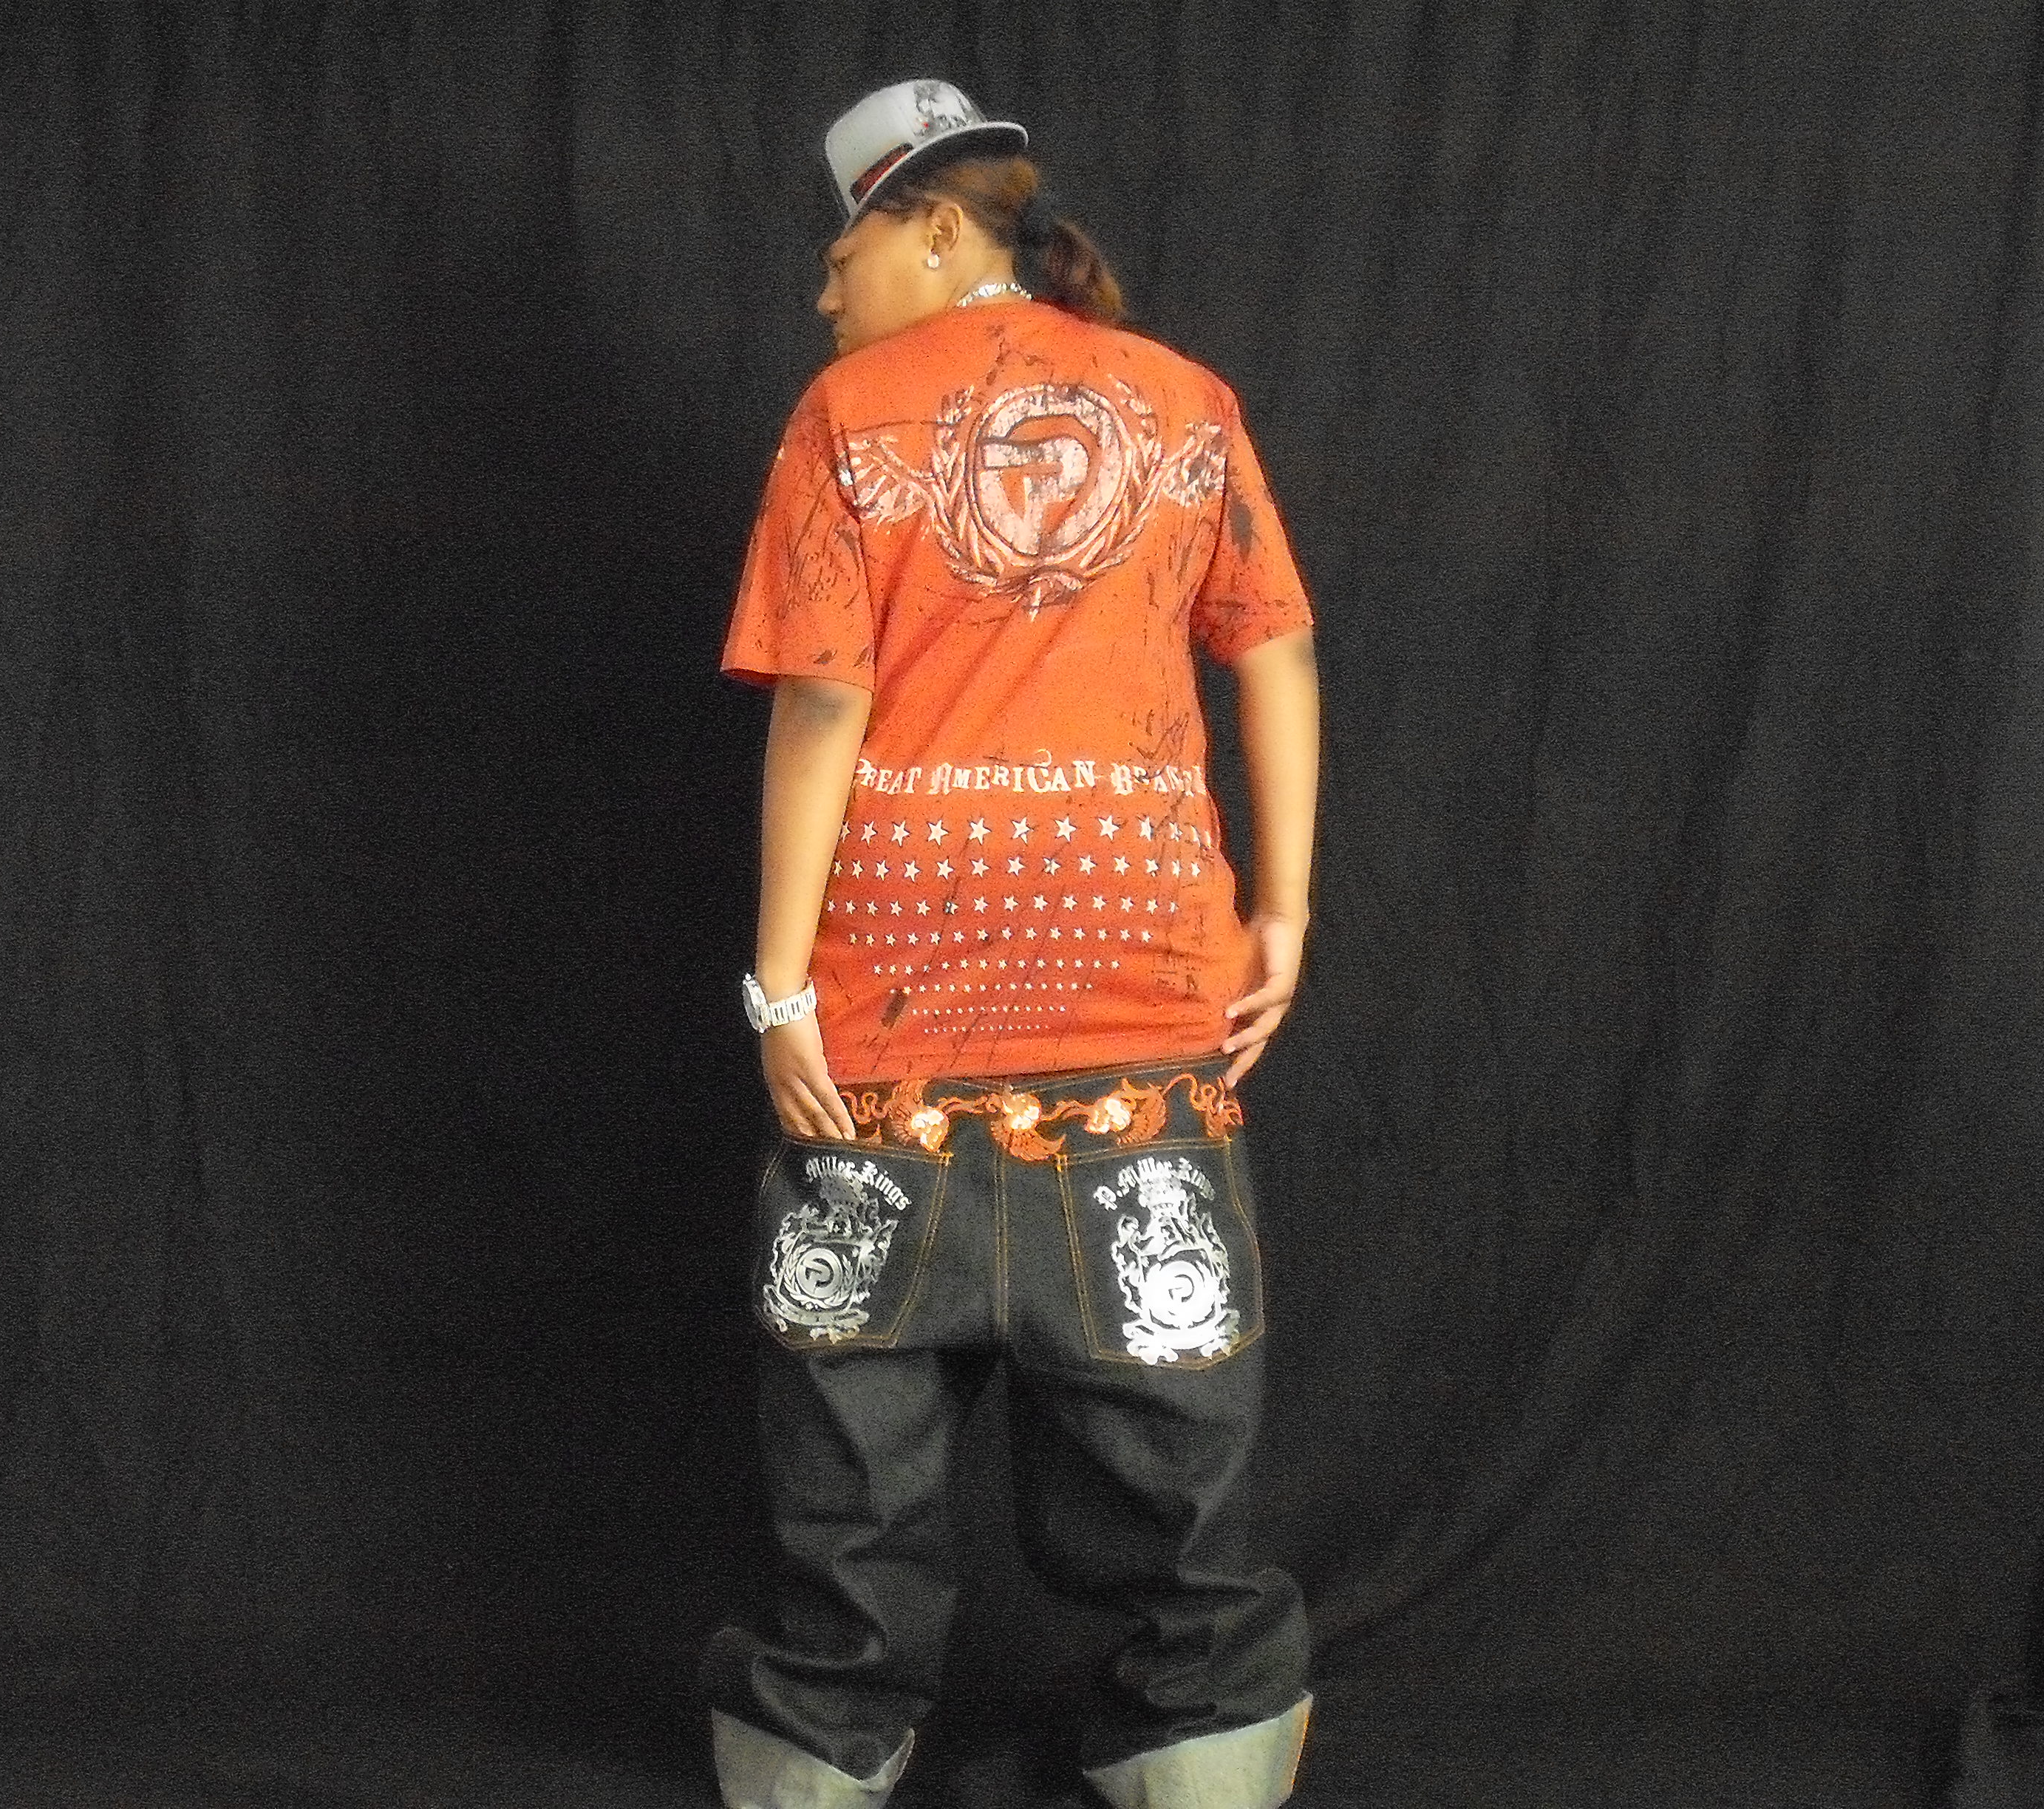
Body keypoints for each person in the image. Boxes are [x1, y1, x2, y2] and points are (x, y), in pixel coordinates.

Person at [706, 78, 1321, 1809]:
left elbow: (823, 703)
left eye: (841, 255)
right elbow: (1275, 648)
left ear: (931, 229)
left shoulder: (846, 419)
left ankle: (823, 1749)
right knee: (1172, 1448)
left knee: (852, 1456)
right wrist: (1281, 908)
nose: (823, 292)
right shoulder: (1185, 402)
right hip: (1144, 1015)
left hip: (887, 1032)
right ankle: (1203, 1747)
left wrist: (776, 989)